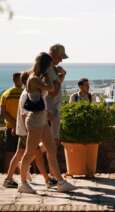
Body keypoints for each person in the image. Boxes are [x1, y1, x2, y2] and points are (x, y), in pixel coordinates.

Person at [19, 52, 76, 193]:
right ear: (45, 64)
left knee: (51, 149)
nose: (52, 67)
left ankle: (60, 182)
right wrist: (52, 76)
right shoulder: (34, 79)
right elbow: (51, 89)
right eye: (50, 65)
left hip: (42, 119)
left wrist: (55, 76)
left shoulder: (38, 78)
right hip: (35, 121)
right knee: (29, 152)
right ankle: (23, 183)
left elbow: (51, 90)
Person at [3, 72, 57, 189]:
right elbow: (24, 114)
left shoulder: (25, 93)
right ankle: (46, 180)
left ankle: (9, 179)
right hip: (27, 130)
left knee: (22, 154)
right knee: (35, 154)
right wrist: (27, 130)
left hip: (24, 130)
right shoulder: (25, 94)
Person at [0, 73, 23, 173]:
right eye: (21, 79)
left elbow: (3, 113)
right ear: (16, 80)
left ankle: (8, 174)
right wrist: (16, 125)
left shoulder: (6, 93)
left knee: (10, 152)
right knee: (20, 152)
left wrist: (13, 124)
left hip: (11, 126)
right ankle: (17, 173)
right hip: (21, 127)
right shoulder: (23, 93)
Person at [46, 44, 68, 145]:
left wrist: (62, 75)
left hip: (53, 111)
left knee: (52, 143)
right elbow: (52, 92)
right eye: (60, 57)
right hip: (50, 111)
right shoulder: (47, 70)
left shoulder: (52, 69)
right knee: (50, 143)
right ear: (53, 54)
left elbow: (56, 87)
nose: (61, 60)